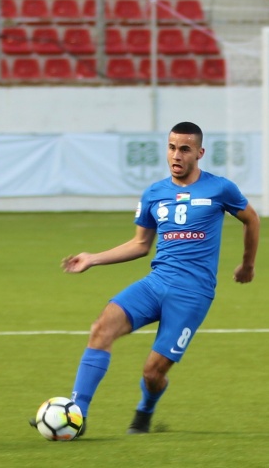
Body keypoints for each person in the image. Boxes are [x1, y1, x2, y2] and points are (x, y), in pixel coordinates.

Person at [35, 122, 260, 437]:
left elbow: (252, 219)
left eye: (184, 149)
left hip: (192, 295)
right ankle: (77, 415)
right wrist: (92, 258)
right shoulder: (154, 193)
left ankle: (145, 411)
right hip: (156, 283)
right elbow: (141, 244)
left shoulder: (221, 189)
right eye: (171, 147)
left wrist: (247, 264)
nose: (176, 155)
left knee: (152, 373)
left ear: (200, 152)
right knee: (101, 328)